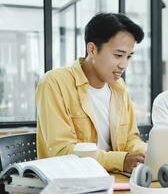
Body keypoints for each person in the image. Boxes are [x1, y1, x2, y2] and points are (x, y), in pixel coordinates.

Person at [36, 13, 147, 172]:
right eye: (118, 55)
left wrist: (146, 151)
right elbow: (62, 151)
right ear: (92, 49)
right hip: (70, 182)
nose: (124, 65)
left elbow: (130, 138)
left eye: (128, 57)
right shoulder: (54, 83)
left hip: (115, 179)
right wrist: (120, 160)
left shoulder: (119, 87)